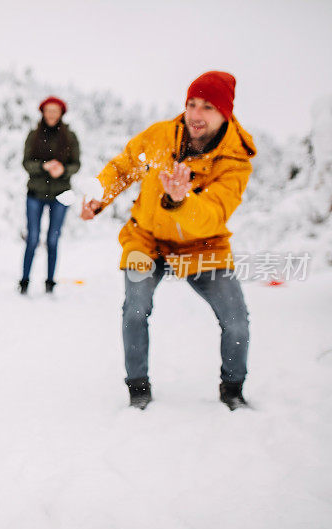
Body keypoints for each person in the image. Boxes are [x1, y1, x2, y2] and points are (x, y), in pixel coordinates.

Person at [80, 71, 255, 411]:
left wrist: (180, 200)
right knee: (135, 309)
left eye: (207, 106)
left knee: (236, 321)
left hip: (202, 245)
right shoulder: (159, 136)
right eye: (191, 104)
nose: (195, 114)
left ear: (225, 113)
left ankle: (232, 390)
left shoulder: (235, 162)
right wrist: (98, 196)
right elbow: (124, 167)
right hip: (147, 239)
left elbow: (214, 214)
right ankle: (138, 388)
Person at [20, 96, 81, 294]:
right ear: (43, 112)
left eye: (55, 110)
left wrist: (63, 170)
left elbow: (76, 164)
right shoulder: (33, 135)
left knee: (53, 239)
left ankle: (50, 282)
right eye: (48, 110)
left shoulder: (70, 137)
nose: (52, 114)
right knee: (33, 238)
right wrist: (43, 166)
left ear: (61, 113)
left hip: (61, 194)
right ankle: (25, 281)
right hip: (35, 193)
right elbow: (26, 163)